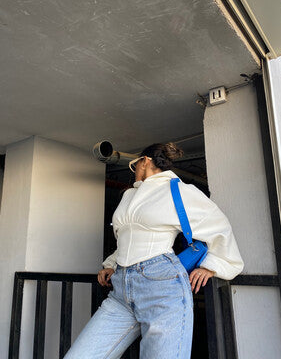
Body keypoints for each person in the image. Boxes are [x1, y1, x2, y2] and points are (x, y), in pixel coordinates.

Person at [64, 142, 244, 359]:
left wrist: (212, 266)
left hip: (162, 286)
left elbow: (219, 227)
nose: (133, 173)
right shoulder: (129, 195)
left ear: (145, 161)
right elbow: (127, 236)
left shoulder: (178, 190)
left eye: (134, 166)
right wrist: (112, 264)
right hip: (121, 290)